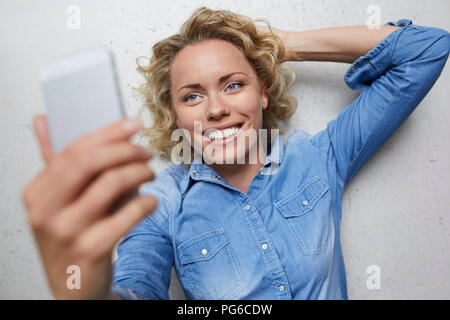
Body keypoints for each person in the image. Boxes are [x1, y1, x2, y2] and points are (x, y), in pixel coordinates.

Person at [23, 7, 450, 300]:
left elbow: (426, 49)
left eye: (233, 84)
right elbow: (137, 286)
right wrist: (87, 287)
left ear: (263, 92)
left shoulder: (317, 157)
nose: (216, 109)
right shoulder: (161, 202)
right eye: (192, 96)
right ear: (175, 116)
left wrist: (283, 43)